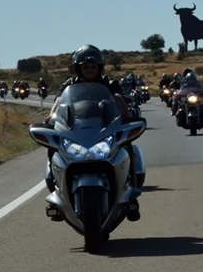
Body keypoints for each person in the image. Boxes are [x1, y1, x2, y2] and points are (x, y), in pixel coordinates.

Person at [42, 45, 142, 218]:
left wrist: (126, 116)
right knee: (54, 150)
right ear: (78, 68)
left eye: (93, 67)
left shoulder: (109, 84)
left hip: (104, 127)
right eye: (86, 67)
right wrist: (51, 118)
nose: (90, 70)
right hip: (77, 129)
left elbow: (118, 98)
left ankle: (131, 194)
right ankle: (57, 194)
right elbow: (58, 102)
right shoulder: (69, 85)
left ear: (99, 68)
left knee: (127, 146)